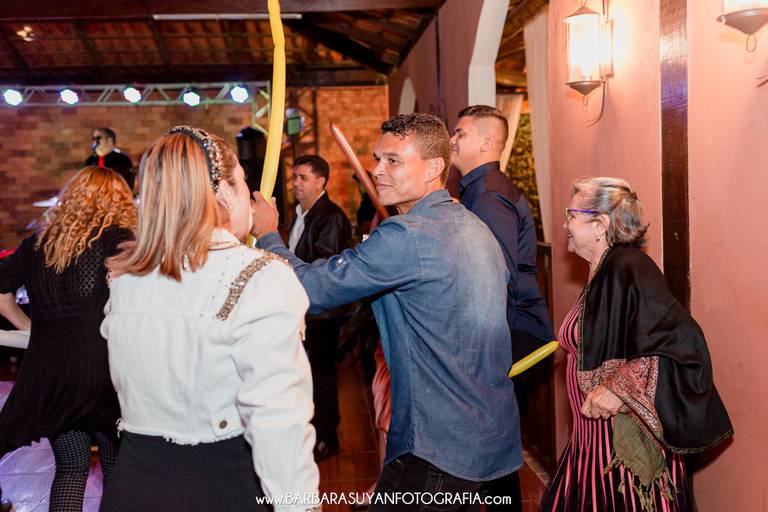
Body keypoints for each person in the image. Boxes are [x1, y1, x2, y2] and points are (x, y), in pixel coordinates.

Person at [252, 113, 522, 511]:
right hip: (488, 436)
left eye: (393, 161)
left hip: (436, 444)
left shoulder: (407, 236)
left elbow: (311, 287)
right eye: (377, 159)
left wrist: (268, 236)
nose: (378, 170)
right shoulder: (474, 226)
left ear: (433, 168)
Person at [100, 126, 319, 511]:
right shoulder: (260, 276)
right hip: (220, 485)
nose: (250, 197)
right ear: (224, 193)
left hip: (131, 487)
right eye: (243, 182)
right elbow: (278, 420)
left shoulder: (125, 279)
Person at [542, 177, 733, 511]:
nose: (564, 225)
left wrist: (617, 388)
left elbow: (682, 343)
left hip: (620, 448)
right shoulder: (603, 271)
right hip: (591, 440)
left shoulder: (630, 266)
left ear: (600, 224)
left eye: (571, 215)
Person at [0, 166, 135, 512]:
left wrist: (31, 327)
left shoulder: (39, 245)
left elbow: (1, 294)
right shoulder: (118, 240)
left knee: (71, 469)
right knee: (117, 467)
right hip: (104, 372)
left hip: (52, 375)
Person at [451, 105, 554, 510]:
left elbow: (494, 275)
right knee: (490, 441)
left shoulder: (489, 193)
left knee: (489, 441)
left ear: (486, 143)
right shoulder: (480, 188)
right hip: (504, 328)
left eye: (460, 133)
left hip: (509, 330)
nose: (452, 140)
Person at [287, 154, 352, 461]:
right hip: (303, 306)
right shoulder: (299, 213)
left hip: (323, 311)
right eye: (294, 177)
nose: (296, 183)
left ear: (321, 181)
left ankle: (327, 437)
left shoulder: (331, 217)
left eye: (303, 177)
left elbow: (322, 268)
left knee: (321, 374)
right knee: (305, 372)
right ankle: (308, 430)